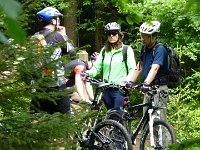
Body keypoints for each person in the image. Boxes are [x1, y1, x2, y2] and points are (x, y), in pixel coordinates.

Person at [30, 7, 75, 114]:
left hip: (40, 86)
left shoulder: (34, 38)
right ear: (53, 20)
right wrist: (64, 35)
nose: (59, 21)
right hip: (57, 86)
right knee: (66, 119)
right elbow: (72, 53)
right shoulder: (58, 36)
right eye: (58, 19)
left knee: (37, 118)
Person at [85, 22, 136, 111]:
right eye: (109, 34)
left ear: (119, 35)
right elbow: (97, 67)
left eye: (114, 33)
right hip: (106, 88)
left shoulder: (126, 50)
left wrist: (126, 81)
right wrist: (88, 73)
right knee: (110, 115)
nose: (111, 36)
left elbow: (132, 69)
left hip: (119, 89)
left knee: (117, 115)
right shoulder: (104, 51)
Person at [130, 21, 169, 121]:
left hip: (158, 89)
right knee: (147, 121)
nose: (142, 38)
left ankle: (165, 137)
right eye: (142, 35)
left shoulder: (160, 49)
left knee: (159, 123)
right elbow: (139, 66)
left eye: (145, 36)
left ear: (153, 36)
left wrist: (146, 83)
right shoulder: (144, 48)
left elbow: (155, 68)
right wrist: (130, 82)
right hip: (148, 89)